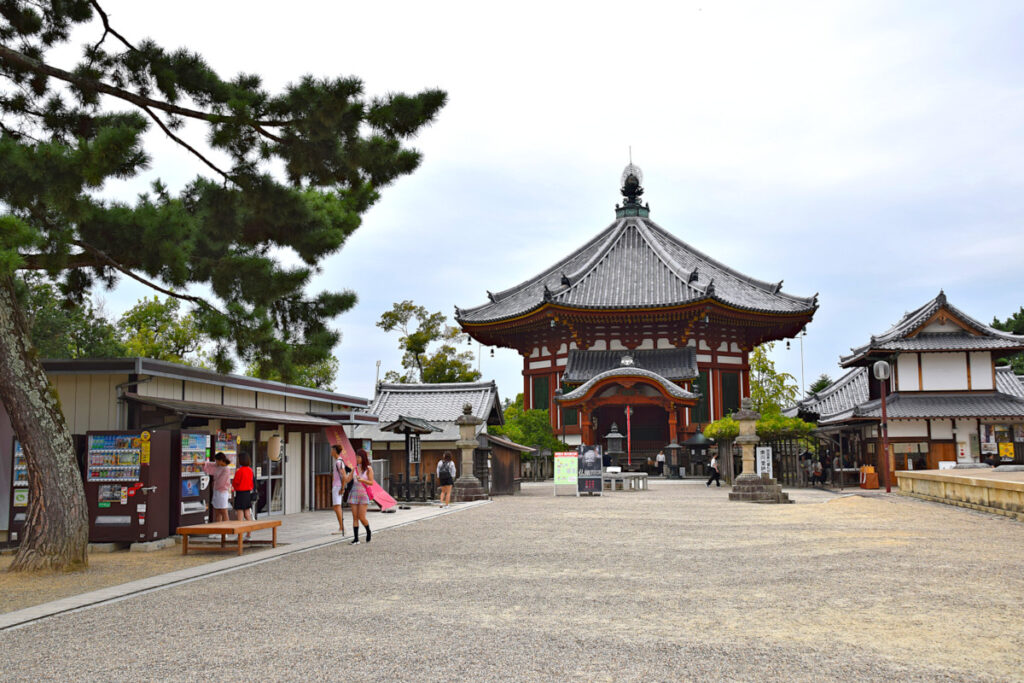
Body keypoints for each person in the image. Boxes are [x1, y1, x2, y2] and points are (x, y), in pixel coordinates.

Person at [347, 448, 375, 544]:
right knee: (355, 517)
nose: (357, 459)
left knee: (361, 517)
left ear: (363, 458)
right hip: (354, 492)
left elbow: (371, 482)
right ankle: (356, 539)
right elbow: (348, 479)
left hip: (363, 493)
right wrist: (343, 474)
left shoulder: (368, 469)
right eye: (356, 457)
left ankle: (368, 531)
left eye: (359, 457)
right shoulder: (354, 468)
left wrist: (362, 480)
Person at [201, 452, 232, 523]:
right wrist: (202, 463)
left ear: (221, 460)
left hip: (222, 491)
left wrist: (215, 484)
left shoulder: (226, 469)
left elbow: (222, 482)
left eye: (217, 460)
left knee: (224, 511)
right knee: (217, 511)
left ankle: (227, 529)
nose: (216, 462)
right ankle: (219, 529)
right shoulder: (218, 465)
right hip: (217, 491)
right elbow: (210, 464)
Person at [232, 452, 257, 536]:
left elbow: (235, 483)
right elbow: (253, 482)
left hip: (240, 493)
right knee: (247, 513)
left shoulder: (239, 471)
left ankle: (240, 534)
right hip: (247, 493)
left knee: (240, 512)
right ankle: (249, 532)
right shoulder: (250, 470)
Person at [330, 444, 352, 534]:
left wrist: (342, 488)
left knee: (337, 506)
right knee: (336, 506)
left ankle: (342, 528)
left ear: (335, 451)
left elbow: (343, 475)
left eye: (332, 450)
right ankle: (341, 527)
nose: (331, 452)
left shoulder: (339, 462)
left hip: (338, 486)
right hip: (337, 485)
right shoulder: (338, 461)